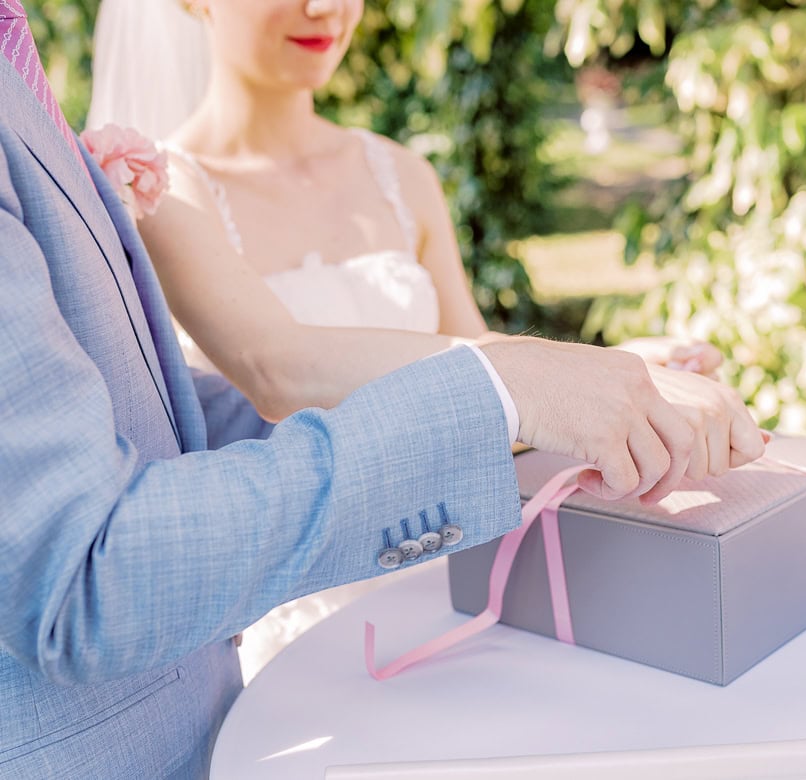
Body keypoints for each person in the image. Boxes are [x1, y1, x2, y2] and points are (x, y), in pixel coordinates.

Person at [0, 2, 765, 775]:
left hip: (445, 569)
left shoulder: (401, 173)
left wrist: (605, 378)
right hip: (302, 621)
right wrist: (531, 381)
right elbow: (280, 369)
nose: (324, 7)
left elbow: (480, 362)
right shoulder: (166, 187)